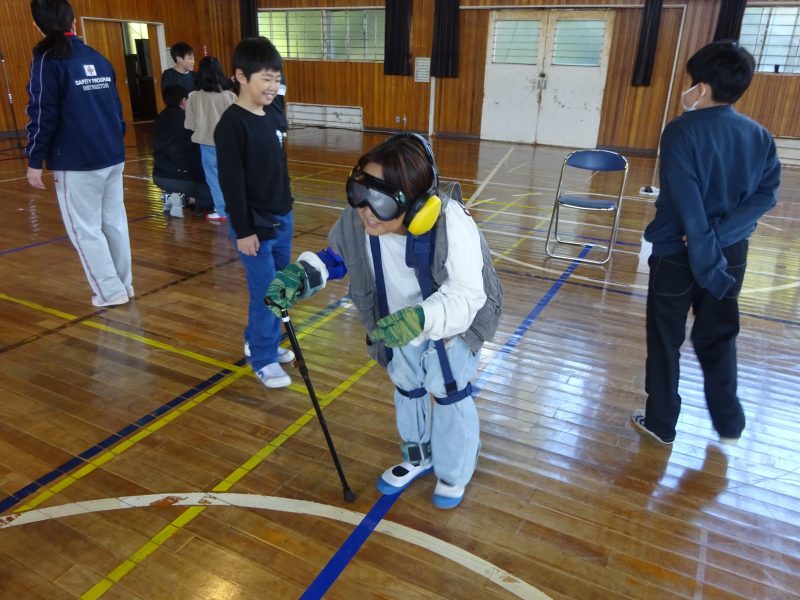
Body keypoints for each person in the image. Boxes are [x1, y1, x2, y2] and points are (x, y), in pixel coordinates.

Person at [266, 134, 503, 509]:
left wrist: (422, 318)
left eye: (380, 201)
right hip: (396, 320)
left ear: (416, 204)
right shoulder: (362, 219)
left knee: (447, 389)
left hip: (450, 323)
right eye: (359, 193)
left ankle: (454, 469)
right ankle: (418, 456)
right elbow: (337, 257)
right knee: (407, 384)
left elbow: (466, 295)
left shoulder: (451, 223)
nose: (366, 211)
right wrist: (304, 274)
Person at [632, 40, 781, 446]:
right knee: (718, 335)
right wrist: (721, 238)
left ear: (701, 87)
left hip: (678, 253)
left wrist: (704, 244)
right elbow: (765, 196)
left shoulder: (681, 130)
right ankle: (729, 423)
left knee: (665, 339)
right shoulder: (760, 136)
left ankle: (662, 423)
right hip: (730, 253)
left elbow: (687, 201)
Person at [25, 0, 133, 308]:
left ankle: (110, 292)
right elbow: (117, 110)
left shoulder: (48, 61)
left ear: (37, 26)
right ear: (74, 21)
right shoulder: (97, 57)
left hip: (78, 162)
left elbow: (42, 113)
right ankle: (124, 286)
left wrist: (34, 159)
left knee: (86, 231)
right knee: (114, 224)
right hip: (112, 154)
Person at [215, 37, 296, 388]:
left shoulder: (273, 113)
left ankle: (261, 341)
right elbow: (231, 184)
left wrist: (286, 208)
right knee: (268, 293)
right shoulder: (232, 124)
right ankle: (262, 358)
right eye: (265, 78)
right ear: (240, 76)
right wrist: (245, 229)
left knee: (280, 290)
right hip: (255, 226)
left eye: (276, 79)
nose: (273, 86)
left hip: (282, 218)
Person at [184, 56, 236, 222]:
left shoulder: (194, 96)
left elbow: (190, 124)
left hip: (207, 143)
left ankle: (222, 211)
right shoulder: (230, 96)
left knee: (214, 179)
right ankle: (236, 209)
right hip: (229, 144)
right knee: (232, 177)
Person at [152, 85, 212, 218]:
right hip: (180, 176)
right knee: (217, 195)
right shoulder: (186, 119)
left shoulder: (160, 117)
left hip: (159, 175)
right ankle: (184, 199)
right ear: (183, 101)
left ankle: (172, 195)